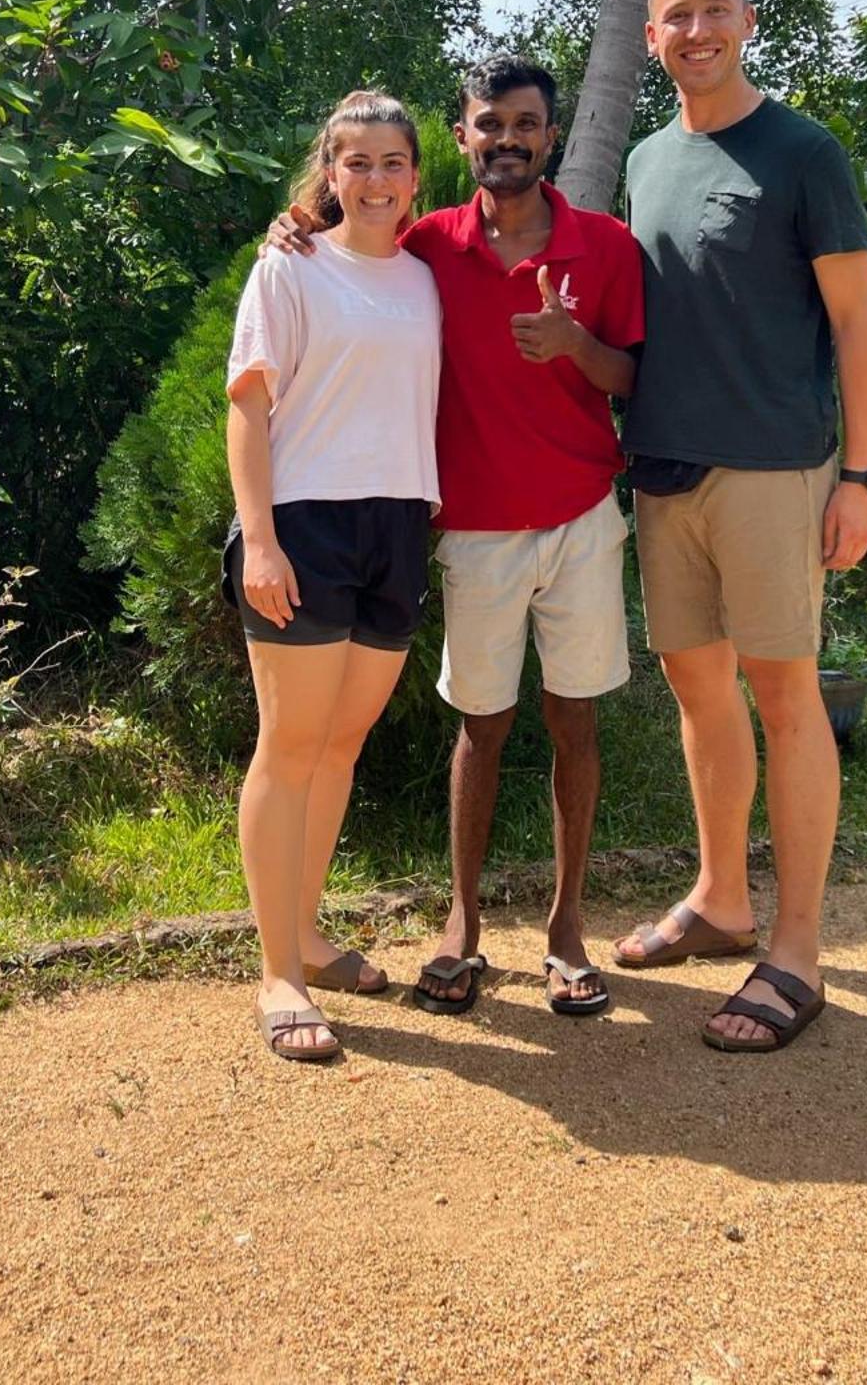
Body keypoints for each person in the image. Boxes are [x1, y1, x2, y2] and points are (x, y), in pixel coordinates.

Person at [268, 56, 644, 1018]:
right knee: (480, 724)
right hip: (472, 527)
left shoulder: (604, 246)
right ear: (463, 134)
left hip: (581, 519)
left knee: (575, 721)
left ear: (550, 137)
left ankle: (565, 928)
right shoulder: (429, 243)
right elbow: (350, 236)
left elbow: (635, 379)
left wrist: (575, 346)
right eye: (489, 124)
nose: (507, 138)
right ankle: (463, 926)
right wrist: (298, 220)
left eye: (526, 124)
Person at [613, 0, 867, 1054]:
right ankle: (721, 899)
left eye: (714, 11)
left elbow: (858, 325)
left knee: (786, 698)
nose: (696, 31)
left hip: (775, 469)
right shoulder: (642, 157)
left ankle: (798, 947)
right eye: (676, 16)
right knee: (697, 691)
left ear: (748, 19)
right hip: (664, 471)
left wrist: (858, 476)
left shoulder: (801, 151)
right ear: (649, 36)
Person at [226, 91, 441, 1062]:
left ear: (413, 175)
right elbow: (247, 407)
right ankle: (278, 969)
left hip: (398, 522)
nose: (374, 178)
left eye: (391, 161)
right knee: (290, 742)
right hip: (304, 520)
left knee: (341, 743)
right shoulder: (289, 266)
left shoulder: (423, 278)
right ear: (328, 170)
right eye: (355, 161)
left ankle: (308, 929)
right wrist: (259, 539)